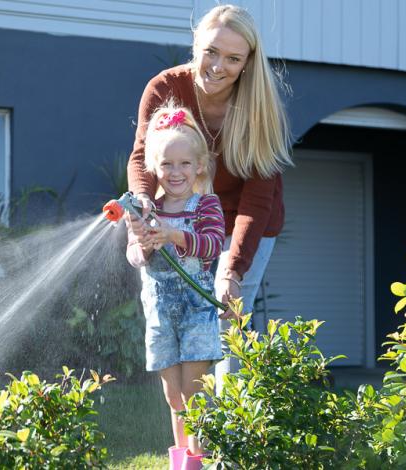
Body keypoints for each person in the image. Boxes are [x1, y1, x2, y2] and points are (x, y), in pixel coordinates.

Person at [126, 4, 293, 401]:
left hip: (246, 223)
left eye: (233, 58)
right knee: (177, 316)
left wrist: (232, 272)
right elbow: (141, 157)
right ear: (196, 45)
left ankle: (227, 441)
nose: (218, 66)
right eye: (211, 51)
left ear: (248, 63)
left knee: (225, 322)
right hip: (180, 218)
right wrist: (144, 207)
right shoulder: (165, 88)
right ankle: (193, 439)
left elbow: (258, 198)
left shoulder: (259, 108)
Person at [125, 104, 225, 470]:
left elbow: (213, 245)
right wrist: (144, 246)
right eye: (167, 164)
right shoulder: (145, 212)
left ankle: (197, 461)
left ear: (199, 165)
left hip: (196, 314)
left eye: (185, 163)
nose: (176, 172)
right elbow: (133, 256)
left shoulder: (206, 204)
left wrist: (174, 235)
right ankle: (179, 460)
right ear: (154, 168)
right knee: (172, 395)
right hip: (160, 313)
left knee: (192, 389)